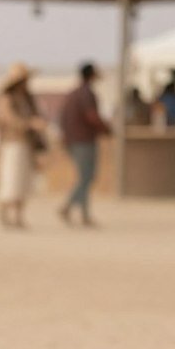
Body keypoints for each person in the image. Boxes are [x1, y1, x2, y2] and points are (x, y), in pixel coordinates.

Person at [58, 62, 111, 227]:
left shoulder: (73, 94)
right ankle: (68, 207)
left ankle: (84, 215)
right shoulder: (86, 94)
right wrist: (106, 129)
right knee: (86, 177)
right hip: (84, 140)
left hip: (74, 140)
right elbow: (91, 116)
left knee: (85, 177)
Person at [0, 63, 47, 229]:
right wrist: (29, 124)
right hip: (13, 143)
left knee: (24, 181)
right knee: (11, 180)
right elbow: (9, 119)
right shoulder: (7, 99)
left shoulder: (28, 99)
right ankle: (4, 210)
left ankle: (18, 216)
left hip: (27, 144)